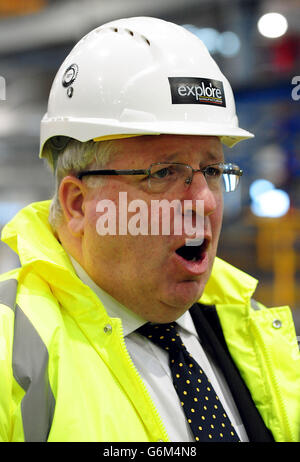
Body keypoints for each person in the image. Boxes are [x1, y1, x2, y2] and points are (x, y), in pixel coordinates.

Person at [0, 16, 300, 443]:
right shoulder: (11, 353)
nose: (206, 201)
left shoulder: (253, 331)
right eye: (164, 172)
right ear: (79, 203)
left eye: (212, 170)